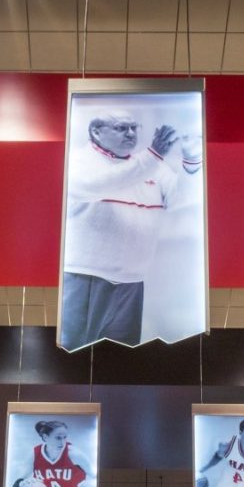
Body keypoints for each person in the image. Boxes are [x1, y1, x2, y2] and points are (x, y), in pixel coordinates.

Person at [59, 111, 199, 350]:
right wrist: (151, 157)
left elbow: (179, 200)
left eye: (135, 128)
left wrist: (191, 164)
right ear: (96, 131)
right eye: (122, 128)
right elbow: (103, 184)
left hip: (132, 281)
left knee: (119, 362)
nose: (131, 134)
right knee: (76, 359)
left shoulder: (150, 165)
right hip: (86, 277)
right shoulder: (78, 160)